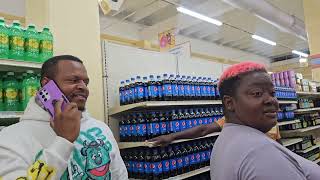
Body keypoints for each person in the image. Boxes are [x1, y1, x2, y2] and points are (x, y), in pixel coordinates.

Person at [0, 55, 128, 179]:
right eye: (73, 80)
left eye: (86, 82)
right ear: (47, 84)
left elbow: (119, 174)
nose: (83, 87)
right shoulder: (10, 138)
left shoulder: (101, 129)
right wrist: (63, 142)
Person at [211, 61, 320, 180]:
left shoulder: (225, 140)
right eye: (257, 93)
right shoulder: (259, 151)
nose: (271, 100)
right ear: (229, 103)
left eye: (272, 93)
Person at [148, 116, 281, 146]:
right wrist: (172, 136)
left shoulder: (271, 120)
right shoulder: (235, 119)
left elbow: (278, 142)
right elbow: (203, 130)